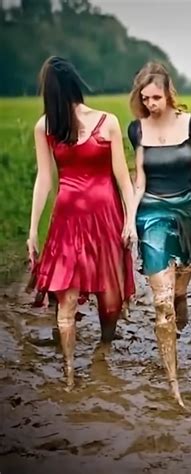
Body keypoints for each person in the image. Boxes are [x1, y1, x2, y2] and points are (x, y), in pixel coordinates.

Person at [27, 56, 136, 390]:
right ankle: (70, 373)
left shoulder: (108, 122)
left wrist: (130, 219)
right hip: (67, 223)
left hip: (106, 218)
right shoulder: (45, 127)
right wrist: (33, 230)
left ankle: (104, 346)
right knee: (67, 298)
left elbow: (122, 178)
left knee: (110, 297)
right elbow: (44, 179)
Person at [127, 62, 191, 408]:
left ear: (169, 93)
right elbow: (139, 179)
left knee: (178, 291)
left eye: (156, 97)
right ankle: (173, 382)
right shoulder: (137, 130)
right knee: (161, 304)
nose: (151, 104)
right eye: (145, 98)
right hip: (152, 211)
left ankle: (181, 298)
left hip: (188, 211)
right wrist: (129, 219)